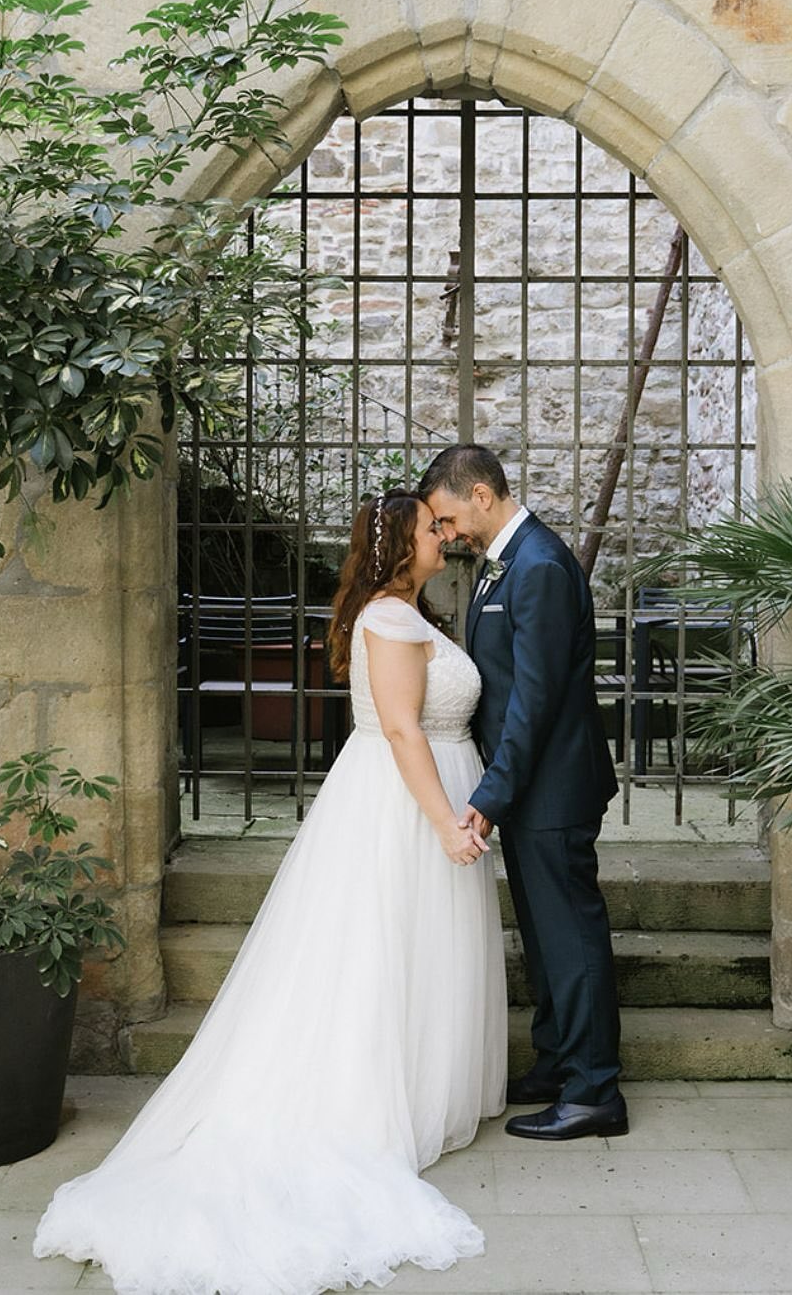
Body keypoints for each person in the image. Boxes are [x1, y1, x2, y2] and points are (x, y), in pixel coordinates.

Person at [34, 489, 507, 1295]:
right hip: (404, 806)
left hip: (429, 794)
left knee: (418, 950)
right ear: (400, 545)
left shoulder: (408, 613)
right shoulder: (391, 621)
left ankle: (427, 1081)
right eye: (433, 528)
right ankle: (373, 1100)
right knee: (381, 951)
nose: (445, 535)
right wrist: (446, 823)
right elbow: (399, 729)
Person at [420, 445, 626, 1142]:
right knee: (543, 937)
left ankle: (595, 1089)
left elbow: (533, 703)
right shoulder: (503, 563)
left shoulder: (537, 566)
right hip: (534, 788)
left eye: (448, 518)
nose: (447, 536)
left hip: (554, 788)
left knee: (570, 937)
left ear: (481, 494)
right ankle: (557, 1062)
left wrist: (490, 794)